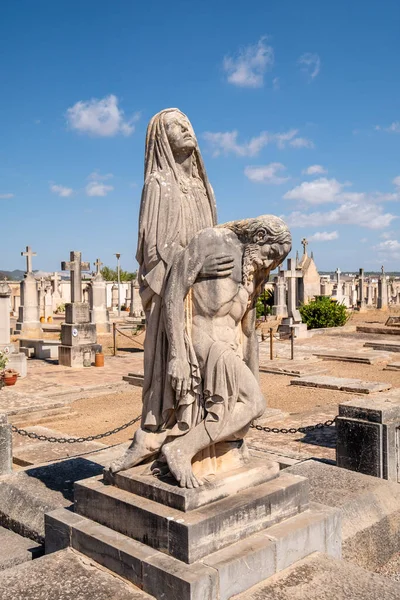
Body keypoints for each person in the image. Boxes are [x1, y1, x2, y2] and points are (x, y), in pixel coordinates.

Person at [110, 109, 233, 474]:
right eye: (176, 126)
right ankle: (158, 436)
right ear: (162, 139)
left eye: (189, 124)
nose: (186, 129)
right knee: (171, 369)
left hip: (204, 300)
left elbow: (214, 241)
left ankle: (200, 439)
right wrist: (196, 267)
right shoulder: (158, 186)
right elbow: (153, 253)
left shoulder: (203, 188)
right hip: (171, 297)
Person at [162, 215, 292, 488]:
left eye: (277, 261)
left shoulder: (254, 271)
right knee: (255, 404)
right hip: (203, 341)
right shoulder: (212, 241)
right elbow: (173, 294)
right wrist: (177, 355)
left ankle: (219, 449)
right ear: (260, 238)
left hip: (229, 349)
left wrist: (254, 377)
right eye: (272, 254)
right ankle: (180, 449)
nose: (271, 263)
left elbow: (248, 331)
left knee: (250, 405)